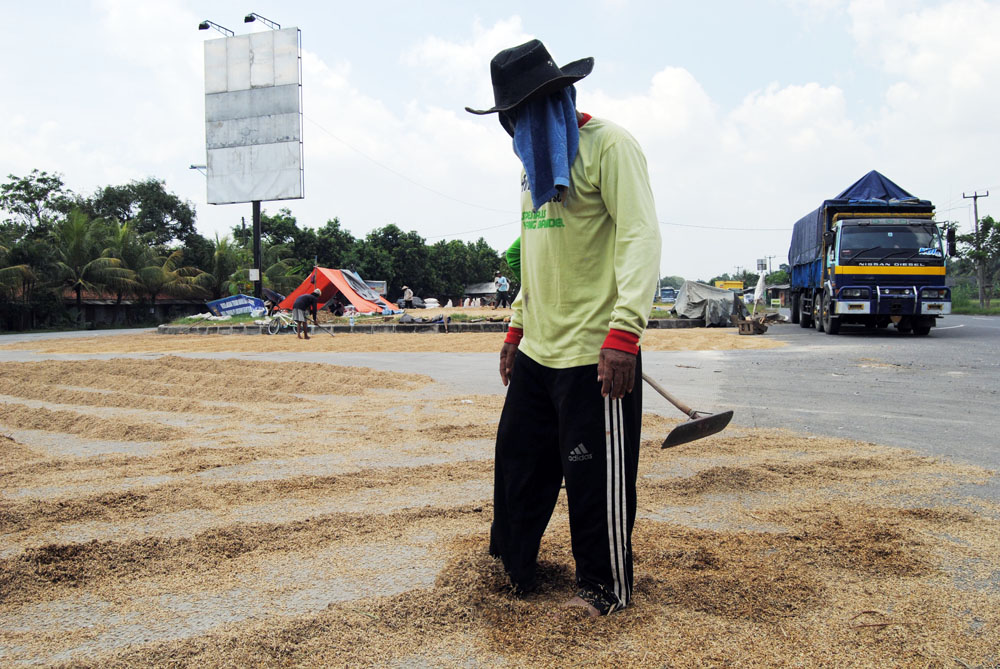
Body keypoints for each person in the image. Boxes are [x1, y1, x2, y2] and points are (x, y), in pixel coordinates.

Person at [466, 39, 661, 617]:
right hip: (538, 353)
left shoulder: (610, 148)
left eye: (528, 108)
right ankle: (515, 569)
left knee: (592, 481)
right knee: (518, 467)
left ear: (558, 97)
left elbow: (639, 240)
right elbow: (535, 255)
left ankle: (603, 589)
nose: (518, 124)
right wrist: (515, 327)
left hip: (595, 357)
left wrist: (625, 334)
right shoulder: (531, 166)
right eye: (511, 115)